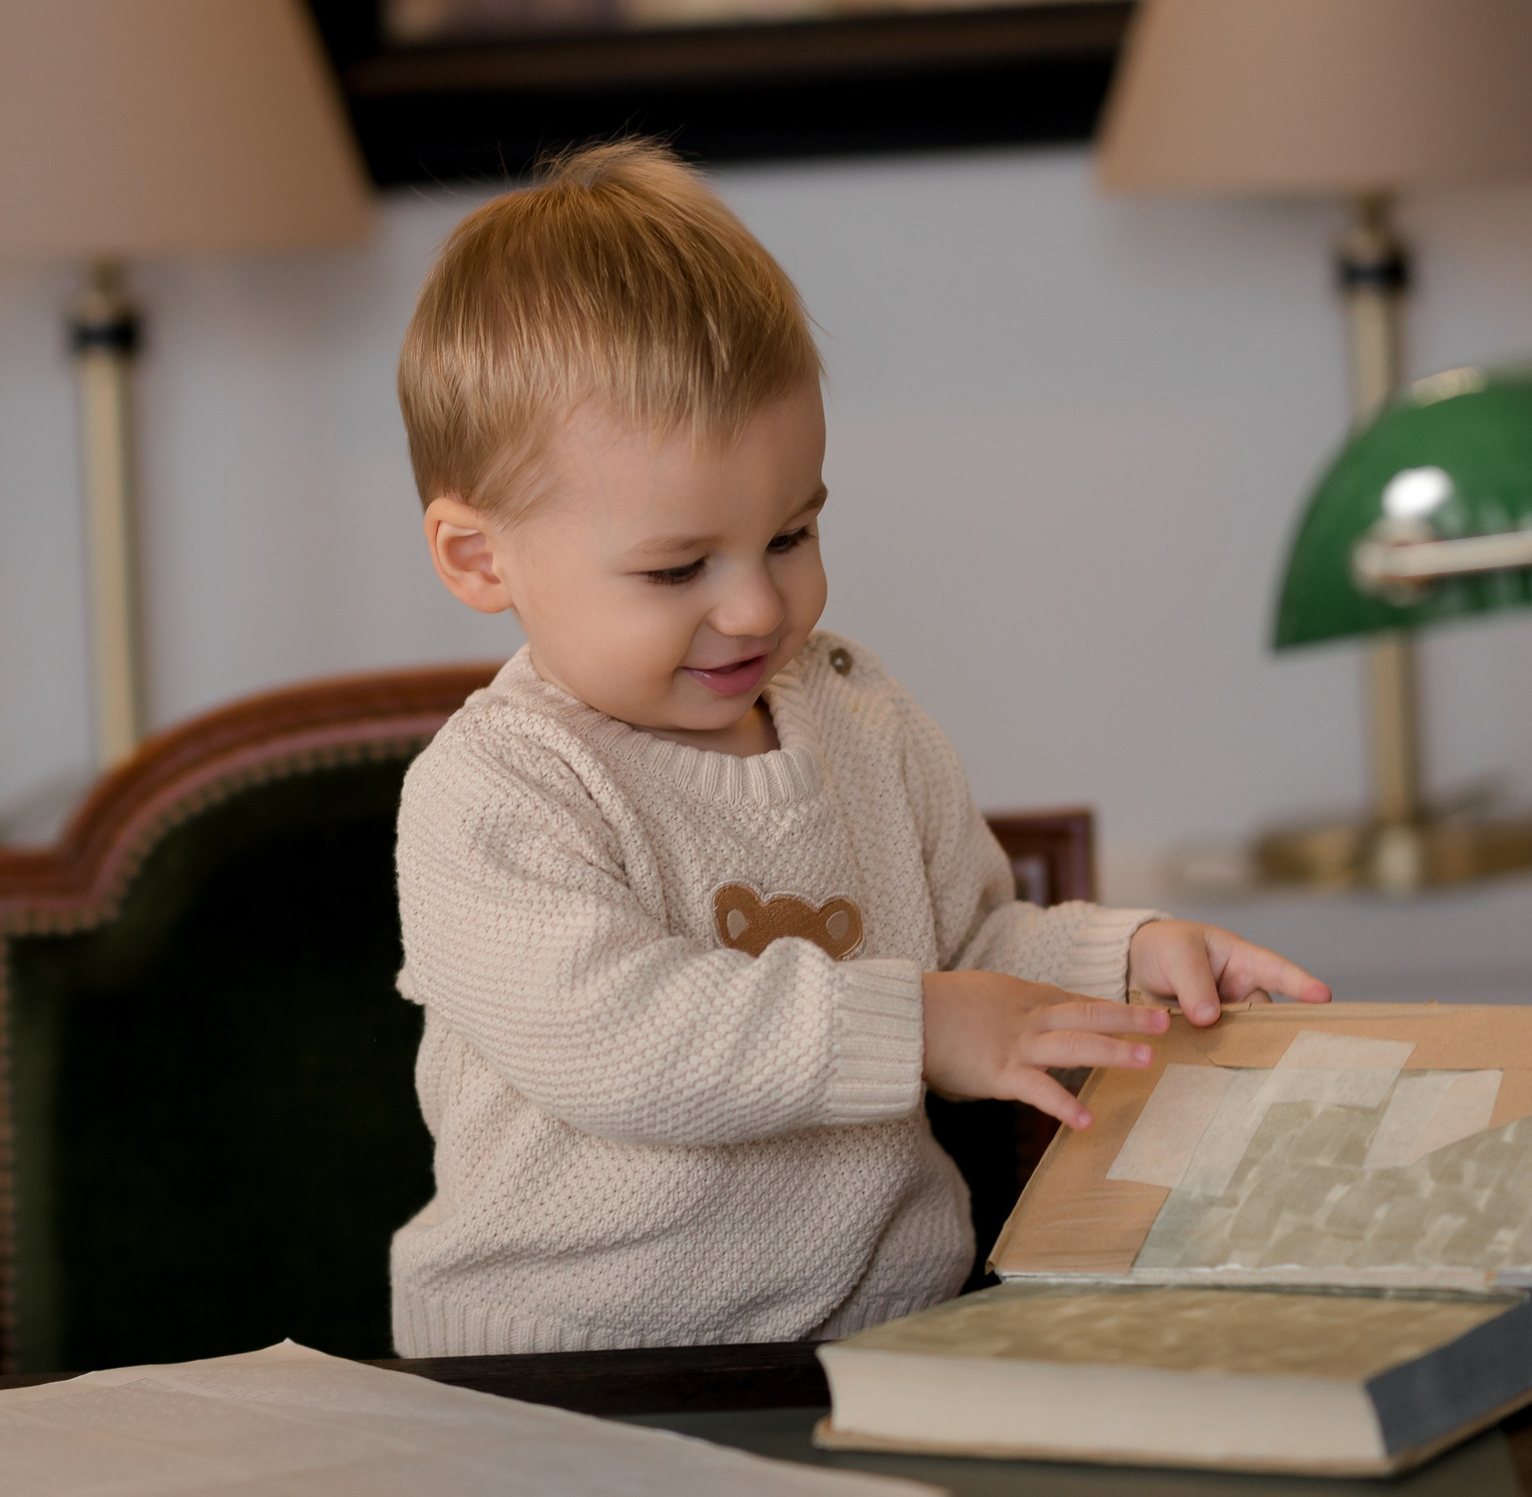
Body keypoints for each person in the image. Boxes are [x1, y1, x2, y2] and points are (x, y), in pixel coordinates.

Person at [390, 139, 1328, 1357]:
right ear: (479, 558)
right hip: (568, 1365)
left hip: (886, 1332)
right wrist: (921, 1023)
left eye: (790, 536)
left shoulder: (857, 716)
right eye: (678, 568)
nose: (755, 608)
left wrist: (1125, 960)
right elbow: (615, 1038)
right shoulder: (494, 790)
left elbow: (967, 948)